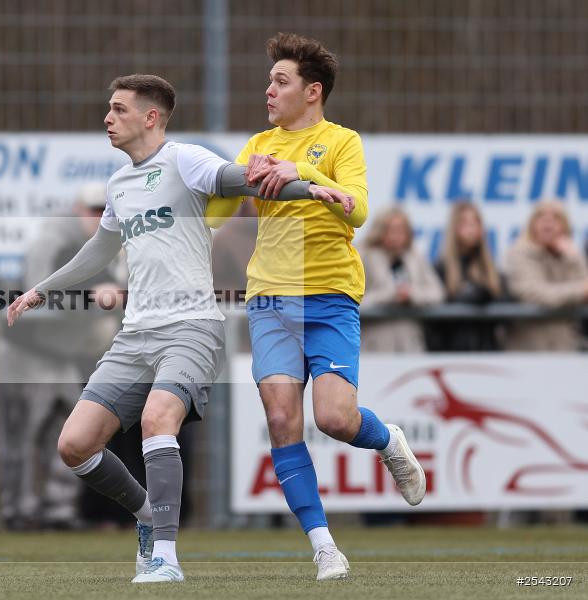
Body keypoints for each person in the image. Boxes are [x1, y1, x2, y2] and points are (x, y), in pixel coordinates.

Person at [7, 74, 344, 584]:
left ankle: (165, 554)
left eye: (118, 109)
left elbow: (238, 179)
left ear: (151, 117)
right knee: (74, 445)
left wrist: (310, 187)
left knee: (156, 420)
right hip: (135, 334)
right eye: (108, 109)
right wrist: (40, 289)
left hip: (191, 326)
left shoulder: (186, 160)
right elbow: (98, 250)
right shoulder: (119, 185)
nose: (107, 118)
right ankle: (147, 515)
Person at [205, 33, 427, 580]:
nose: (269, 90)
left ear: (313, 91)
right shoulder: (257, 143)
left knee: (332, 418)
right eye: (269, 81)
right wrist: (186, 192)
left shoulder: (341, 141)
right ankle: (325, 546)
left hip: (329, 297)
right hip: (270, 299)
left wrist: (301, 174)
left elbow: (357, 210)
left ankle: (387, 439)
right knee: (282, 419)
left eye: (281, 82)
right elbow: (216, 212)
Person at [0, 183, 125, 530]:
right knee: (23, 432)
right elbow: (40, 294)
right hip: (27, 353)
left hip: (63, 355)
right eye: (94, 210)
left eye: (104, 211)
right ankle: (17, 510)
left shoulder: (105, 246)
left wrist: (106, 297)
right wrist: (89, 299)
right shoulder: (51, 241)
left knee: (70, 432)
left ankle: (59, 509)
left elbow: (112, 294)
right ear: (79, 208)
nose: (99, 218)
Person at [504, 199, 588, 351]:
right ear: (532, 225)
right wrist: (581, 291)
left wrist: (574, 258)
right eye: (541, 217)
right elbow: (537, 293)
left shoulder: (568, 254)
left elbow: (584, 284)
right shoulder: (519, 252)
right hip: (530, 349)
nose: (548, 223)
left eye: (556, 218)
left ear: (565, 227)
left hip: (566, 346)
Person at [359, 207, 445, 352]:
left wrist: (412, 295)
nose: (396, 236)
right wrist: (390, 295)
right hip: (375, 342)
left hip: (409, 342)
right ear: (380, 231)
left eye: (401, 230)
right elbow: (354, 301)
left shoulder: (415, 258)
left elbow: (437, 293)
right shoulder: (364, 257)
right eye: (391, 230)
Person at [431, 202, 504, 351]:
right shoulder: (440, 268)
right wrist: (477, 295)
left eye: (475, 223)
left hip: (486, 350)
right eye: (464, 223)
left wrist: (485, 295)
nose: (471, 229)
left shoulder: (490, 269)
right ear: (454, 228)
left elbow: (505, 299)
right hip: (451, 351)